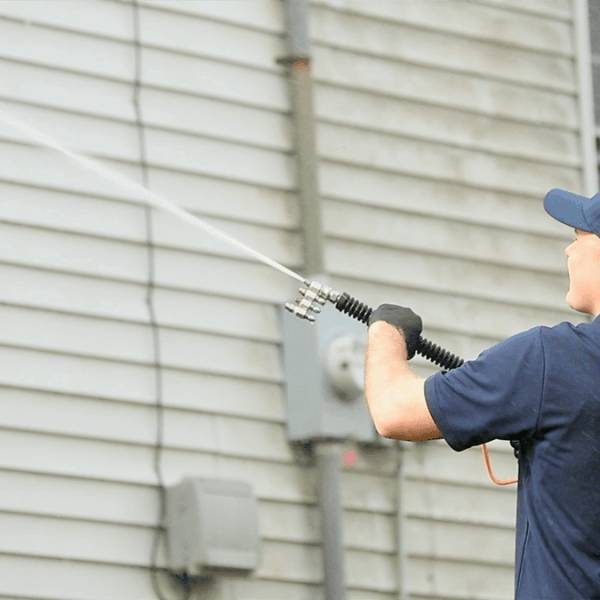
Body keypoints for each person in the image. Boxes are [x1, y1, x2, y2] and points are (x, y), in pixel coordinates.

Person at [364, 188, 600, 599]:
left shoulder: (552, 361)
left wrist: (386, 332)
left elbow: (393, 411)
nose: (569, 251)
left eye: (580, 237)